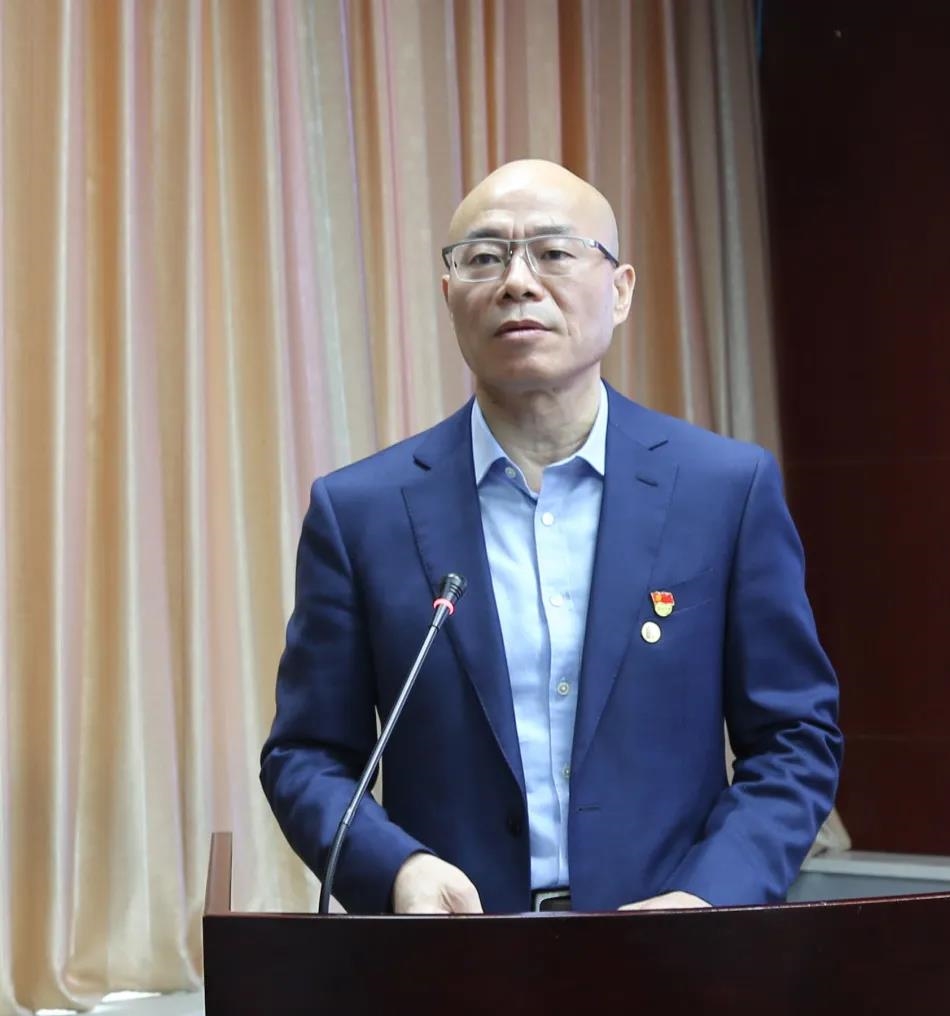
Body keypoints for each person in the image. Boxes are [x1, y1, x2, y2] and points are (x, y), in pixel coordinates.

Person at [260, 159, 842, 915]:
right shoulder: (360, 513)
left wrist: (708, 899)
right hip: (453, 956)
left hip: (672, 948)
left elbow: (794, 738)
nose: (517, 283)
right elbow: (307, 755)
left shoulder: (724, 491)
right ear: (449, 296)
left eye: (554, 252)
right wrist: (397, 870)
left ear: (620, 291)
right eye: (484, 258)